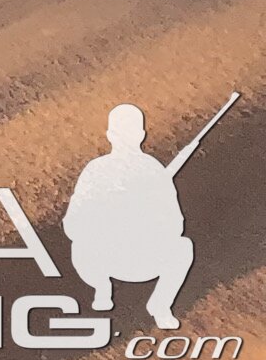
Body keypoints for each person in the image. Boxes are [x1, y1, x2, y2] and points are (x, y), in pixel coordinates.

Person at [63, 104, 196, 330]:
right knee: (183, 247)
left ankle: (159, 305)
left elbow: (174, 225)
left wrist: (141, 217)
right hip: (110, 257)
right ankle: (103, 288)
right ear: (141, 135)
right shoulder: (101, 170)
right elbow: (73, 224)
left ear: (109, 136)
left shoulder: (150, 172)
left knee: (183, 247)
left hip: (138, 259)